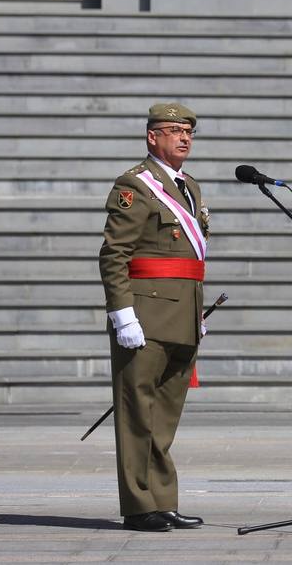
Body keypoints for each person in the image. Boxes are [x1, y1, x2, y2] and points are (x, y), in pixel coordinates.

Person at [98, 103, 210, 531]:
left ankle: (162, 501)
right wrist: (122, 314)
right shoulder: (135, 185)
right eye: (173, 130)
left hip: (181, 315)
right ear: (152, 136)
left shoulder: (189, 187)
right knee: (136, 414)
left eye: (188, 132)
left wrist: (196, 311)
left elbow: (189, 257)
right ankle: (139, 506)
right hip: (144, 315)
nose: (183, 137)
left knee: (164, 416)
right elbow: (114, 255)